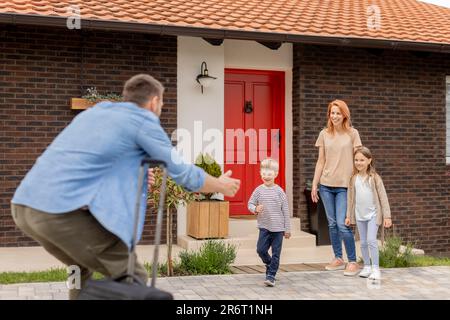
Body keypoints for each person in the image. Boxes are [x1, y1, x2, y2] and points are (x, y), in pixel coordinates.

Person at [10, 74, 241, 299]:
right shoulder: (142, 120)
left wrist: (134, 177)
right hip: (59, 213)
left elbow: (89, 163)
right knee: (132, 277)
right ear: (154, 102)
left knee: (79, 268)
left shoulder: (95, 115)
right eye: (161, 103)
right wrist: (220, 184)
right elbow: (183, 172)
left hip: (24, 207)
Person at [311, 99, 362, 276]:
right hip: (326, 185)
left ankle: (353, 261)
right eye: (332, 113)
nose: (334, 116)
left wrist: (360, 181)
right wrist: (314, 185)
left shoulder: (353, 134)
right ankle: (338, 258)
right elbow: (321, 161)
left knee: (342, 224)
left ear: (344, 115)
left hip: (344, 186)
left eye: (338, 113)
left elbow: (359, 160)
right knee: (332, 224)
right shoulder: (324, 134)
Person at [345, 146, 392, 280]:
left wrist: (387, 216)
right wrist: (348, 215)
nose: (358, 163)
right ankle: (366, 266)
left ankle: (376, 268)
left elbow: (383, 197)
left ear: (369, 160)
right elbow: (350, 198)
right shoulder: (353, 179)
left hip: (373, 214)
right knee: (363, 242)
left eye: (362, 160)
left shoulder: (374, 178)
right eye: (356, 160)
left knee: (371, 240)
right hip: (360, 215)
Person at [248, 158, 291, 287]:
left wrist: (287, 229)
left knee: (276, 253)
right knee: (260, 250)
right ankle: (269, 263)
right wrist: (255, 208)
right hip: (264, 227)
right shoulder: (258, 190)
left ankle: (271, 275)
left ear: (275, 174)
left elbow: (286, 211)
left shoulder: (279, 192)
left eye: (269, 174)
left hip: (278, 229)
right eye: (264, 174)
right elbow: (250, 203)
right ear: (261, 174)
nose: (266, 177)